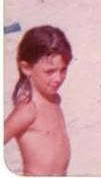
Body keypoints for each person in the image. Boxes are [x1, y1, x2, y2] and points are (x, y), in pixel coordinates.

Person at [4, 25, 73, 176]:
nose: (58, 78)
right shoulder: (28, 109)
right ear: (26, 68)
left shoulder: (55, 99)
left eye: (63, 69)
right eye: (50, 72)